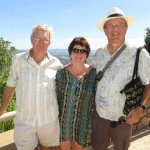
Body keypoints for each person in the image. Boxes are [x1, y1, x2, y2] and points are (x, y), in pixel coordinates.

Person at [90, 7, 150, 150]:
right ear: (105, 30)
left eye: (119, 25)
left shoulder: (139, 54)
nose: (115, 29)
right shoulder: (98, 54)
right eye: (111, 25)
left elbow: (149, 83)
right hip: (99, 116)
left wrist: (141, 109)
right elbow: (90, 76)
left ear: (126, 28)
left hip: (123, 117)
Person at [0, 23, 63, 150]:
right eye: (37, 38)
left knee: (47, 147)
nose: (41, 42)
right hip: (24, 120)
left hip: (49, 119)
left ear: (49, 43)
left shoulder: (56, 64)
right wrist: (2, 110)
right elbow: (11, 85)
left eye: (45, 39)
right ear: (31, 39)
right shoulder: (18, 60)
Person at [55, 37, 96, 150]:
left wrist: (93, 124)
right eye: (76, 50)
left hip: (83, 123)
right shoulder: (61, 74)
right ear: (70, 53)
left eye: (83, 51)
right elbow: (55, 98)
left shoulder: (93, 74)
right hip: (64, 122)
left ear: (87, 54)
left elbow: (95, 100)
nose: (79, 53)